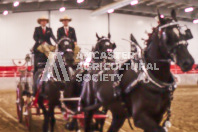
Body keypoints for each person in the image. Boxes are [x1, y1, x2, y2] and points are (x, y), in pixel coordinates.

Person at [32, 16, 57, 95]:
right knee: (45, 46)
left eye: (45, 21)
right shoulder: (37, 29)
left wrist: (57, 42)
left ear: (46, 22)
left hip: (48, 45)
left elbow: (52, 37)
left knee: (54, 48)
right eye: (42, 21)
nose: (44, 22)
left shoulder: (49, 29)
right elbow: (34, 37)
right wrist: (40, 41)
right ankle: (51, 58)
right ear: (40, 22)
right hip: (39, 46)